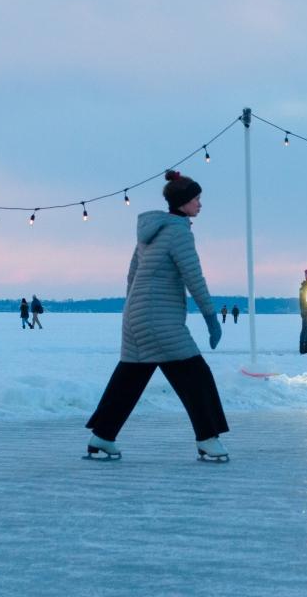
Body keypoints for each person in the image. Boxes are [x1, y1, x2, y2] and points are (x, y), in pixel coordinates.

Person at [84, 170, 229, 462]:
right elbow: (194, 277)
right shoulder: (177, 231)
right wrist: (211, 317)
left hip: (137, 317)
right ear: (184, 202)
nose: (200, 204)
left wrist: (134, 309)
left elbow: (132, 274)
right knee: (195, 375)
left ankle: (102, 436)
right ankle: (208, 439)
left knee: (131, 376)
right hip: (160, 320)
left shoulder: (152, 231)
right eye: (197, 199)